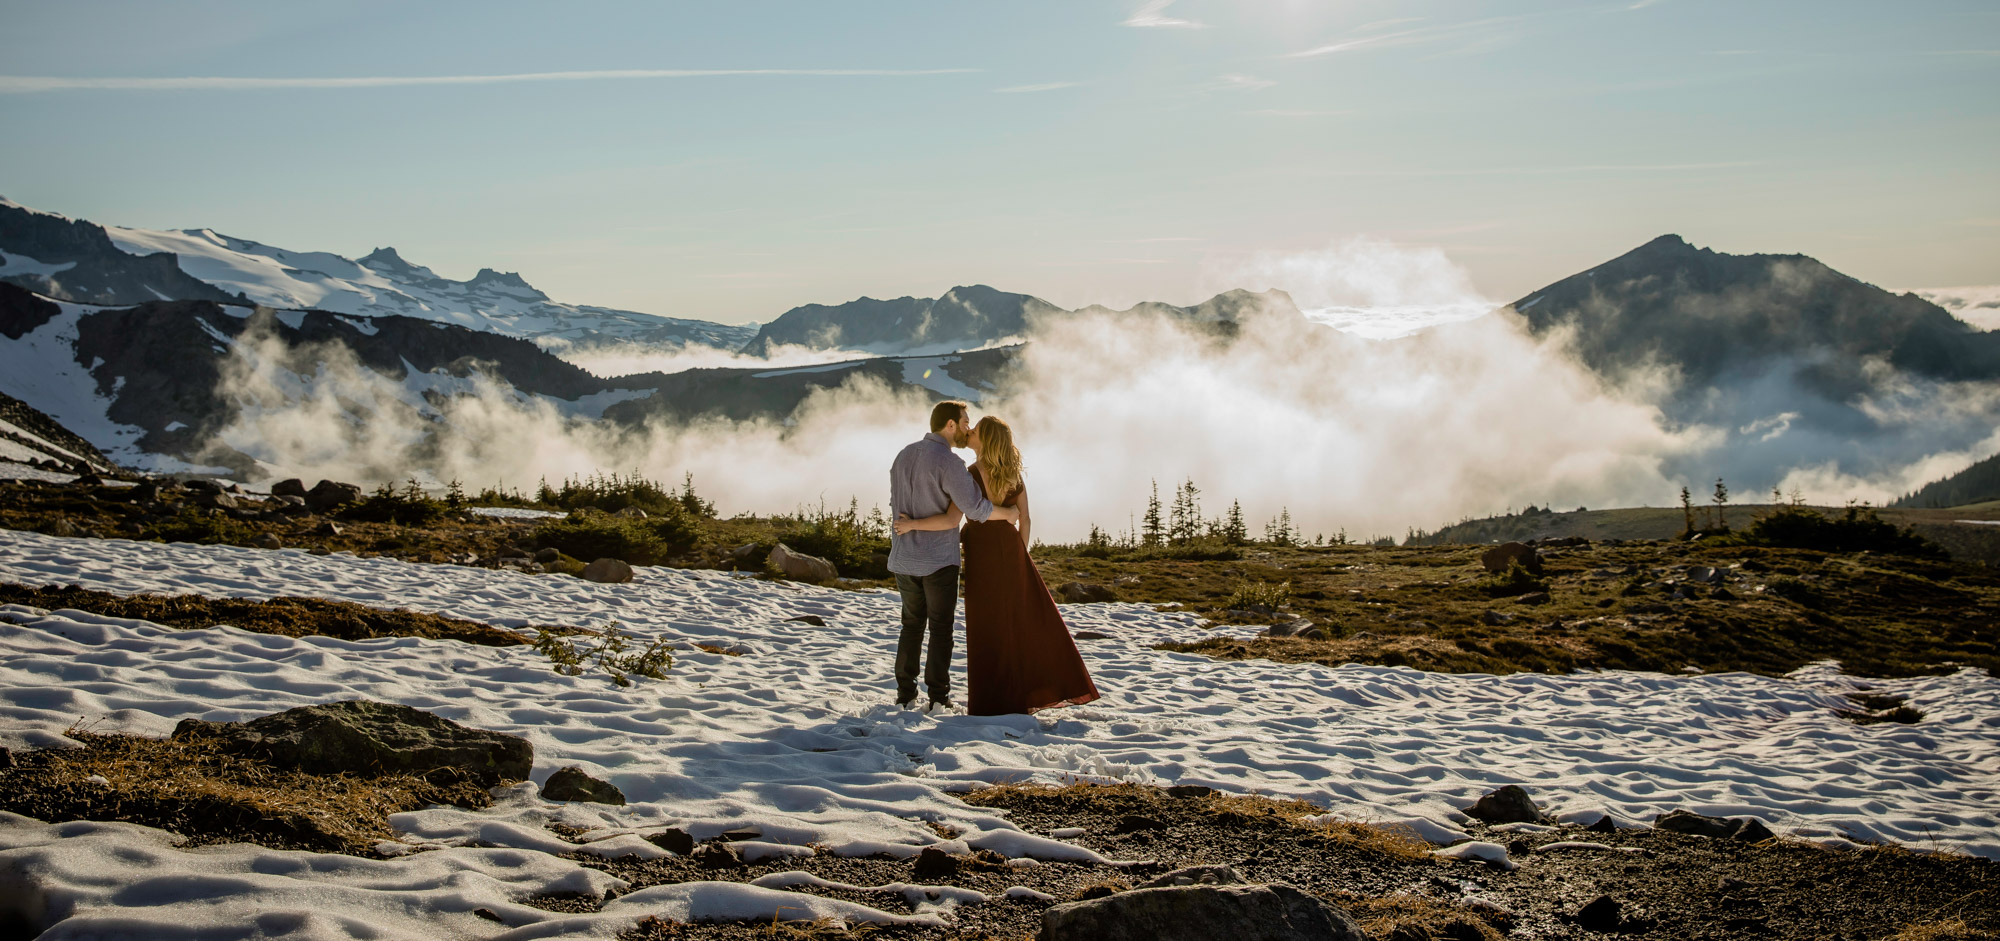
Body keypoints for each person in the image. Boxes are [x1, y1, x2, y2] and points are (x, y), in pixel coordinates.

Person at [896, 416, 1100, 716]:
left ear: (986, 440)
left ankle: (991, 700)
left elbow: (957, 516)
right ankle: (1034, 689)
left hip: (983, 553)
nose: (971, 432)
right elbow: (1025, 518)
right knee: (1018, 623)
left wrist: (913, 524)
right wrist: (1022, 554)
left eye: (976, 430)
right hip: (1012, 550)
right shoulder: (1012, 474)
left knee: (987, 625)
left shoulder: (970, 474)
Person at [888, 400, 1018, 710]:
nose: (967, 429)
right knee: (941, 628)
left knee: (911, 625)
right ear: (949, 425)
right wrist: (1009, 513)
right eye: (964, 423)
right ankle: (937, 697)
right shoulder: (950, 463)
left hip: (904, 558)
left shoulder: (902, 456)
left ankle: (905, 694)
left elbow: (898, 506)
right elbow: (974, 508)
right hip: (937, 560)